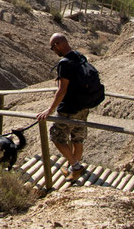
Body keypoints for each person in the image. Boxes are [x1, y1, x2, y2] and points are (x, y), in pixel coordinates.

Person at [36, 33, 93, 180]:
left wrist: (50, 110)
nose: (54, 51)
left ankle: (76, 166)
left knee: (57, 137)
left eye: (52, 48)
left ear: (57, 45)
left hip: (69, 108)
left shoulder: (64, 63)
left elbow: (62, 90)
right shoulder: (80, 56)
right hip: (83, 107)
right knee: (77, 139)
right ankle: (74, 170)